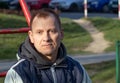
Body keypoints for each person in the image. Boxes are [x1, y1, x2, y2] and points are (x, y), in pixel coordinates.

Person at [4, 8, 91, 83]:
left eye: (52, 31)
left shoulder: (77, 70)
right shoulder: (18, 73)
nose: (46, 38)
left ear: (61, 34)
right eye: (39, 32)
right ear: (31, 36)